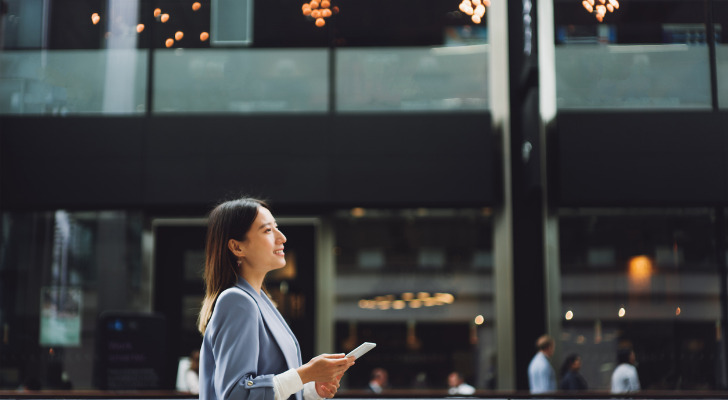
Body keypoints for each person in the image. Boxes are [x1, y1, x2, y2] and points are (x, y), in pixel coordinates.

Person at [198, 198, 355, 400]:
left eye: (276, 227)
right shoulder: (237, 301)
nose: (282, 238)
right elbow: (235, 394)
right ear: (237, 248)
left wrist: (310, 389)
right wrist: (306, 373)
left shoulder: (261, 300)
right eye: (267, 230)